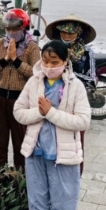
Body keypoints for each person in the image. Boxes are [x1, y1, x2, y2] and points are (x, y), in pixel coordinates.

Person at [14, 40, 91, 210]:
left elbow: (83, 121)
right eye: (45, 61)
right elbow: (18, 112)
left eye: (54, 62)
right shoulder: (33, 82)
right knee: (37, 199)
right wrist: (40, 112)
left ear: (65, 62)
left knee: (63, 201)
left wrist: (52, 113)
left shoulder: (75, 86)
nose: (48, 66)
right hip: (35, 152)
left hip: (64, 156)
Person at [0, 8, 40, 169]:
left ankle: (20, 175)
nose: (11, 33)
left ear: (24, 28)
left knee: (20, 139)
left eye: (15, 29)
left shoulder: (32, 48)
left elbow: (36, 74)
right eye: (8, 29)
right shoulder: (0, 44)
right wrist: (6, 59)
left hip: (20, 100)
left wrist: (17, 61)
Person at [45, 16, 97, 176]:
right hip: (52, 101)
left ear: (79, 34)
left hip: (75, 103)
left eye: (71, 33)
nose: (67, 36)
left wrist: (70, 77)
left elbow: (92, 78)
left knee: (75, 142)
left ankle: (74, 175)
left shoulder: (87, 53)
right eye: (64, 33)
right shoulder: (51, 49)